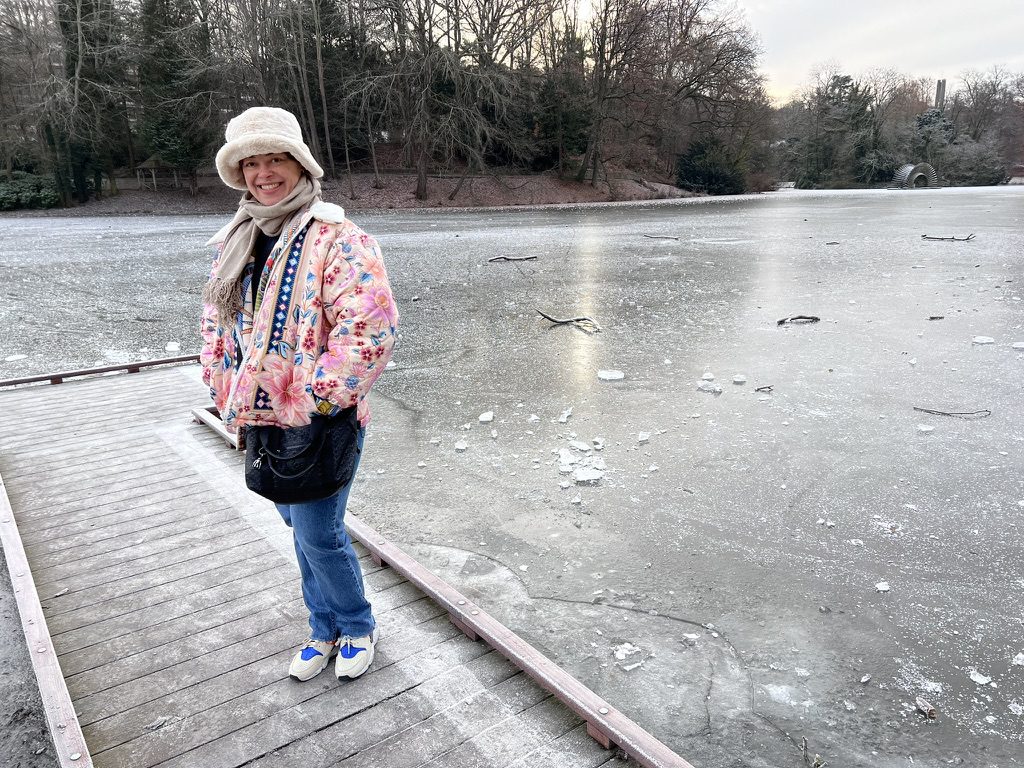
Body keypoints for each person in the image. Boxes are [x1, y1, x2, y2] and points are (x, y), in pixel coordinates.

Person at [199, 106, 398, 682]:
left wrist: (314, 398)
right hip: (257, 417)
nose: (265, 173)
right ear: (239, 173)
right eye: (252, 163)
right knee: (296, 526)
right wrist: (221, 384)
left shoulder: (339, 238)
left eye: (275, 159)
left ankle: (355, 625)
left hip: (321, 418)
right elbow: (216, 321)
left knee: (318, 531)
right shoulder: (235, 241)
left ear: (299, 163)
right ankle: (323, 626)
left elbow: (371, 329)